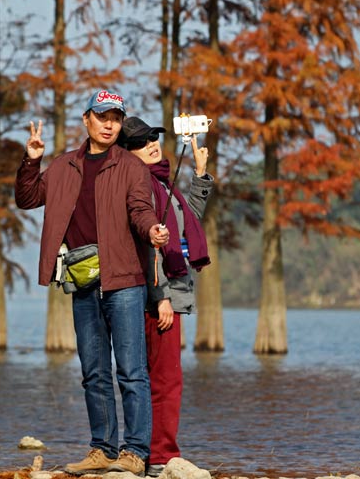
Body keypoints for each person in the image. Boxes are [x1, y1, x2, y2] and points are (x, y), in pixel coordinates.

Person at [14, 90, 170, 476]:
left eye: (116, 118)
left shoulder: (131, 167)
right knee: (94, 373)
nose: (109, 124)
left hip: (126, 281)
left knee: (131, 372)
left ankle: (135, 452)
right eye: (102, 117)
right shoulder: (63, 166)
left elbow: (140, 209)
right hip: (83, 283)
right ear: (87, 119)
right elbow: (27, 198)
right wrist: (31, 159)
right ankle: (102, 448)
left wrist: (152, 229)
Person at [120, 116, 213, 477]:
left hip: (169, 293)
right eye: (141, 142)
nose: (152, 145)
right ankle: (160, 456)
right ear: (126, 153)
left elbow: (188, 223)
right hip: (157, 297)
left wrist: (199, 175)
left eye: (153, 137)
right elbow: (145, 250)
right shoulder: (139, 188)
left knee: (158, 377)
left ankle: (149, 452)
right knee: (163, 378)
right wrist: (160, 297)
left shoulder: (160, 183)